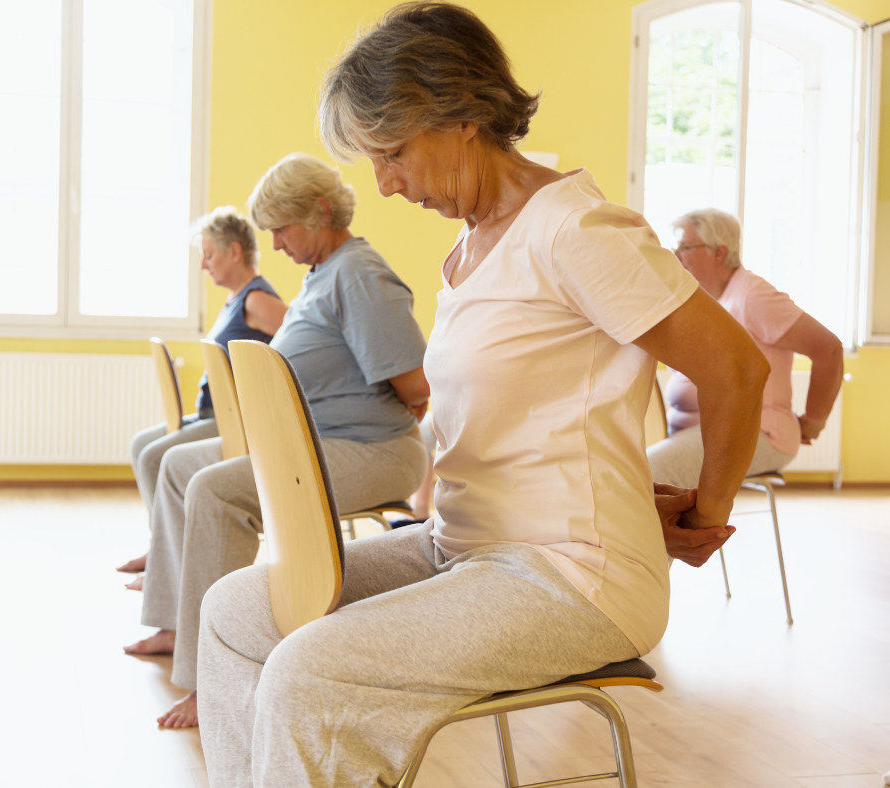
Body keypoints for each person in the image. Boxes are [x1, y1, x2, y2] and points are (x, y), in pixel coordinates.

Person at [195, 4, 769, 786]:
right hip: (461, 546)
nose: (387, 186)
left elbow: (736, 369)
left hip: (570, 575)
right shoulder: (467, 251)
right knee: (232, 613)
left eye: (393, 153)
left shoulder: (579, 231)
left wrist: (703, 513)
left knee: (310, 673)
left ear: (460, 115)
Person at [124, 153, 430, 729]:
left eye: (282, 229)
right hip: (322, 440)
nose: (278, 244)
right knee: (184, 469)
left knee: (216, 491)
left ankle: (209, 679)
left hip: (373, 449)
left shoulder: (360, 273)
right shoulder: (324, 273)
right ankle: (176, 625)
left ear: (319, 211)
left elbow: (415, 385)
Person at [118, 208, 286, 586]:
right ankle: (162, 550)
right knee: (143, 446)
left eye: (209, 255)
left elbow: (301, 342)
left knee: (155, 455)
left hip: (232, 418)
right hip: (212, 412)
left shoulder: (257, 299)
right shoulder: (235, 298)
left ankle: (168, 566)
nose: (203, 265)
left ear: (235, 252)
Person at [647, 208, 844, 488]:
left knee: (649, 473)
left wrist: (815, 419)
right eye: (675, 246)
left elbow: (829, 349)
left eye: (685, 247)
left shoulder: (753, 295)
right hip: (701, 431)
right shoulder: (708, 298)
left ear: (719, 252)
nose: (676, 255)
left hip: (759, 432)